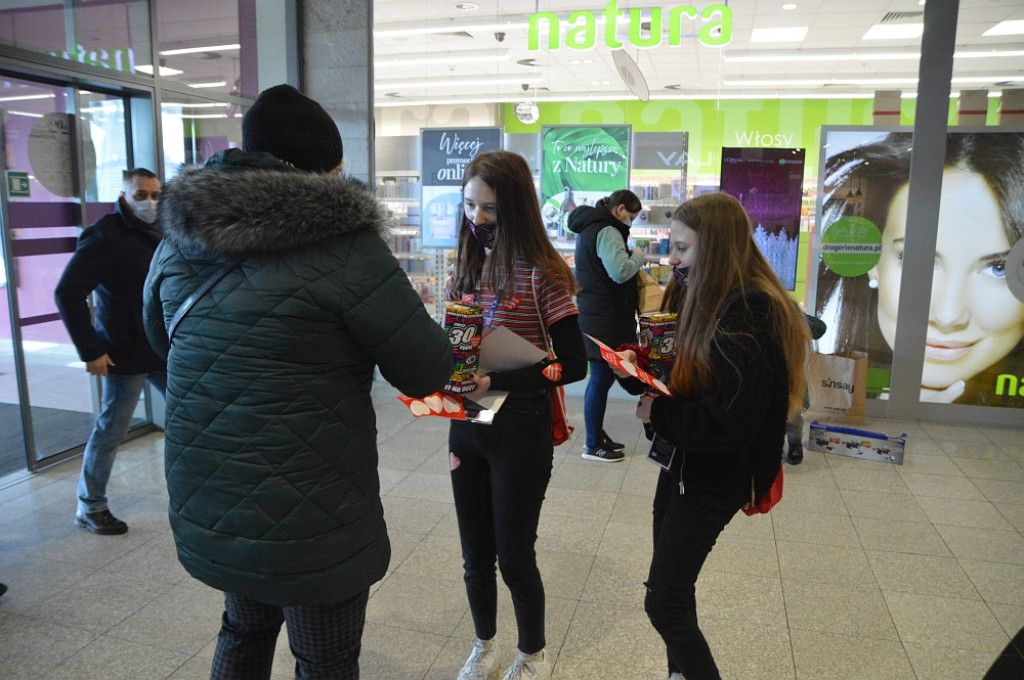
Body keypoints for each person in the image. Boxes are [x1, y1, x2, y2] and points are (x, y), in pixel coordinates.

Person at [142, 84, 452, 680]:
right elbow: (426, 369)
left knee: (243, 629)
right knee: (325, 658)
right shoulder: (345, 245)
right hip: (315, 506)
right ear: (321, 170)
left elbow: (160, 340)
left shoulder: (180, 238)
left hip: (213, 489)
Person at [610, 192, 810, 680]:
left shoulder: (747, 313)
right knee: (674, 589)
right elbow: (686, 371)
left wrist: (658, 414)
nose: (671, 259)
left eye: (682, 248)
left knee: (664, 602)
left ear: (716, 249)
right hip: (683, 463)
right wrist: (638, 367)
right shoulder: (704, 294)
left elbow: (729, 422)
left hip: (713, 473)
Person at [446, 149, 586, 680]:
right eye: (469, 206)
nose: (477, 219)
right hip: (469, 422)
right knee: (474, 554)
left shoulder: (544, 272)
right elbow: (456, 341)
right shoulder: (464, 264)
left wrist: (499, 379)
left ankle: (532, 655)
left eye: (490, 210)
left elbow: (573, 363)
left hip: (521, 426)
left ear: (516, 208)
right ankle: (484, 645)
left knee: (514, 556)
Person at [815, 131, 1024, 407]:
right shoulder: (826, 384)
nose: (948, 316)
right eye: (917, 261)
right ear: (874, 263)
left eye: (999, 268)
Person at [54, 168, 167, 535]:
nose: (149, 202)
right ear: (123, 195)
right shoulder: (105, 236)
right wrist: (91, 350)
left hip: (162, 347)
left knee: (191, 416)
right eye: (140, 195)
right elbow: (67, 293)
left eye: (155, 194)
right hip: (123, 350)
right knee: (112, 428)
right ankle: (90, 505)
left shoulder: (164, 231)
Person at [567, 189, 646, 462]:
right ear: (620, 209)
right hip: (605, 318)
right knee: (600, 379)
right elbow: (620, 271)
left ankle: (597, 437)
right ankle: (592, 444)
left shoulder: (590, 227)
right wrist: (638, 255)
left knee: (602, 378)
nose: (631, 223)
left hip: (597, 314)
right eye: (631, 216)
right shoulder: (607, 230)